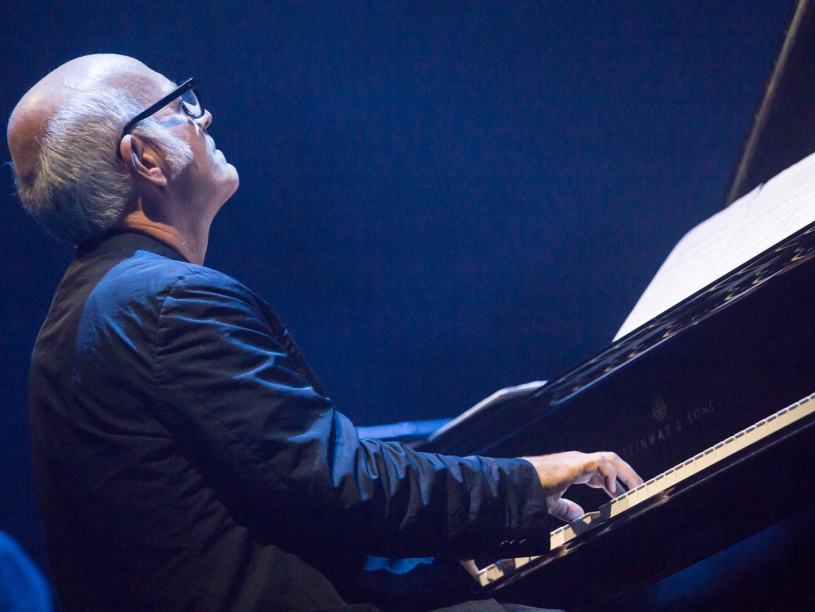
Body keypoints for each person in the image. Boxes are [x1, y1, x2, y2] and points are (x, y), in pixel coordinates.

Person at [7, 54, 641, 611]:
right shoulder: (172, 304)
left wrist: (437, 549)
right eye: (180, 105)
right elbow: (341, 486)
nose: (204, 117)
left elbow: (261, 504)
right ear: (143, 157)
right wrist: (525, 482)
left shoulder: (78, 320)